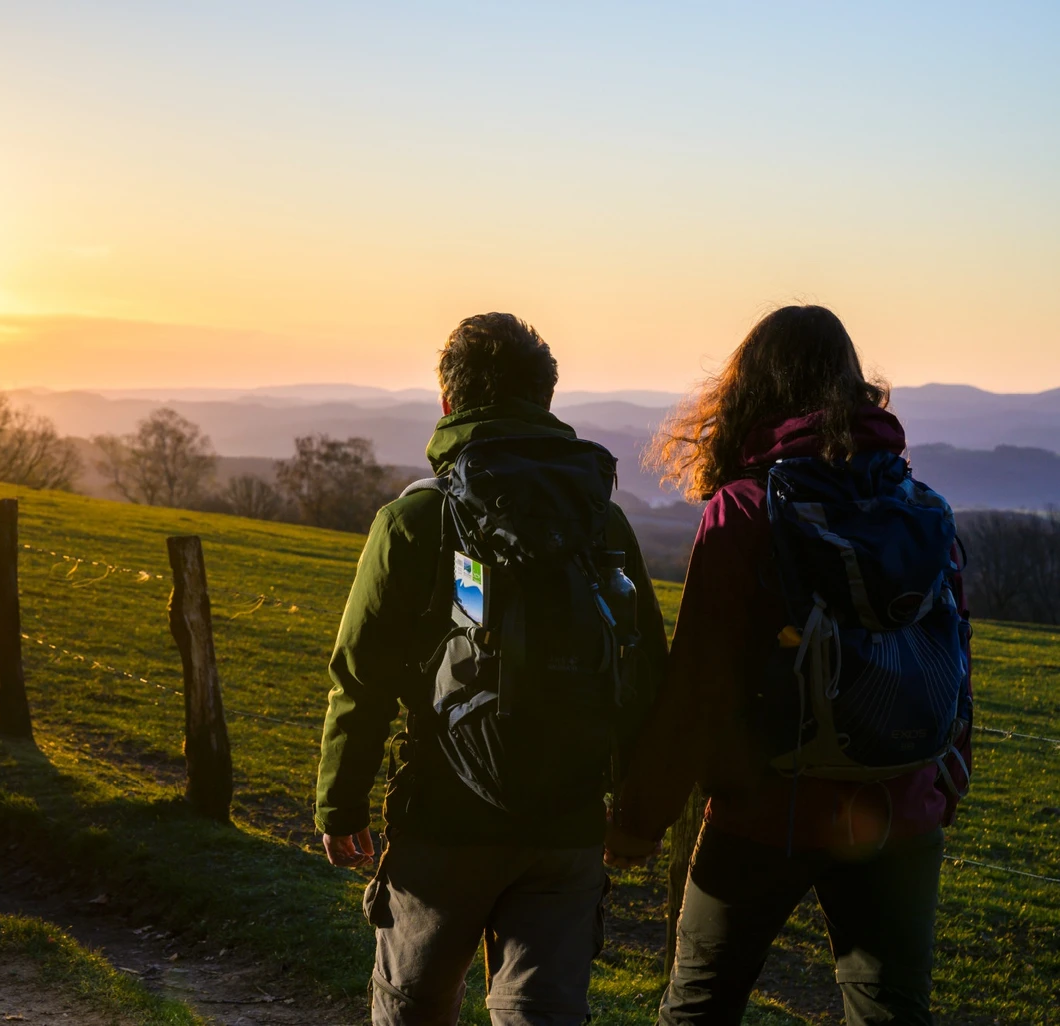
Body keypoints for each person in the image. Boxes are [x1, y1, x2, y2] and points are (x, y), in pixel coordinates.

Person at [606, 305, 974, 1025]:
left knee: (698, 1008)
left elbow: (698, 686)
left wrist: (640, 821)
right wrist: (944, 783)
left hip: (764, 812)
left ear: (750, 390)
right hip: (900, 809)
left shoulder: (745, 510)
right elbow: (956, 658)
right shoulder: (923, 509)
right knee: (891, 1014)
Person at [314, 312, 669, 1026]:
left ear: (449, 403)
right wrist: (635, 817)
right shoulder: (603, 524)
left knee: (413, 1009)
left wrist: (341, 803)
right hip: (568, 828)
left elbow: (363, 677)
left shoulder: (416, 521)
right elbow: (643, 677)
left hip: (443, 823)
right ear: (546, 400)